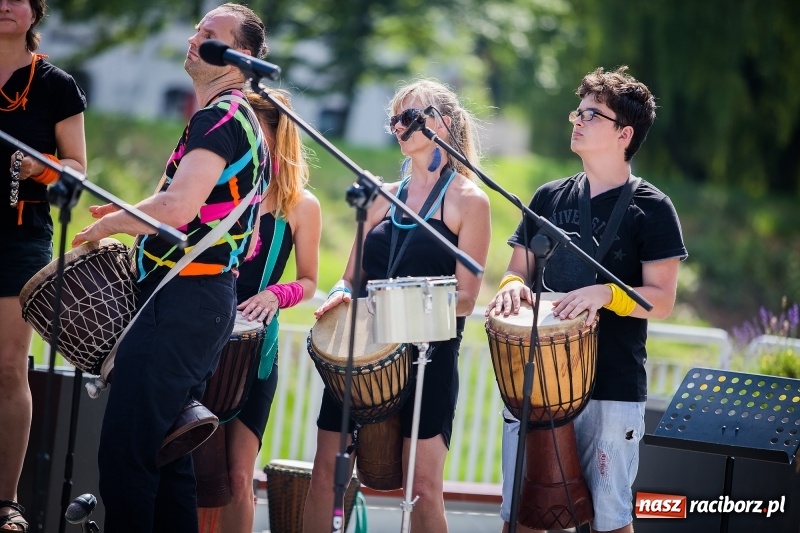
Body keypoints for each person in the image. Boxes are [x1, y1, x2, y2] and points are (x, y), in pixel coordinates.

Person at [70, 4, 268, 531]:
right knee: (167, 455)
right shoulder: (235, 118)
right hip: (196, 303)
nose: (194, 36)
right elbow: (187, 207)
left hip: (184, 304)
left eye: (210, 34)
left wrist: (110, 225)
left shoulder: (219, 118)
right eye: (198, 27)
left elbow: (178, 209)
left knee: (126, 457)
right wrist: (129, 217)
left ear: (238, 56)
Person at [487, 66, 687, 533]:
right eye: (578, 111)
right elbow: (517, 271)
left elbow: (661, 300)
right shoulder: (548, 196)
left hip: (613, 387)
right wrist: (511, 288)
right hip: (536, 385)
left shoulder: (653, 208)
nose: (577, 120)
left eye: (592, 115)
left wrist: (607, 294)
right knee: (525, 518)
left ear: (625, 133)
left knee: (611, 522)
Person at [302, 78, 491, 533]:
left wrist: (403, 309)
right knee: (326, 476)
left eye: (409, 116)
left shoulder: (470, 200)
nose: (399, 126)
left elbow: (467, 297)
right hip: (364, 355)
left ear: (442, 123)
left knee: (422, 490)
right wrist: (339, 296)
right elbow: (350, 278)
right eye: (395, 120)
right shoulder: (379, 196)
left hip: (430, 358)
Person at [206, 88, 321, 533]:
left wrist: (277, 294)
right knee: (188, 469)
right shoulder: (218, 186)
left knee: (238, 477)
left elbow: (309, 280)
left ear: (275, 132)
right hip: (199, 334)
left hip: (254, 353)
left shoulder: (301, 204)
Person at [0, 0, 87, 529]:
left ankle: (5, 500)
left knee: (9, 368)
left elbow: (78, 168)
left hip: (21, 238)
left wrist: (42, 166)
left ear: (35, 12)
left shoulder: (55, 84)